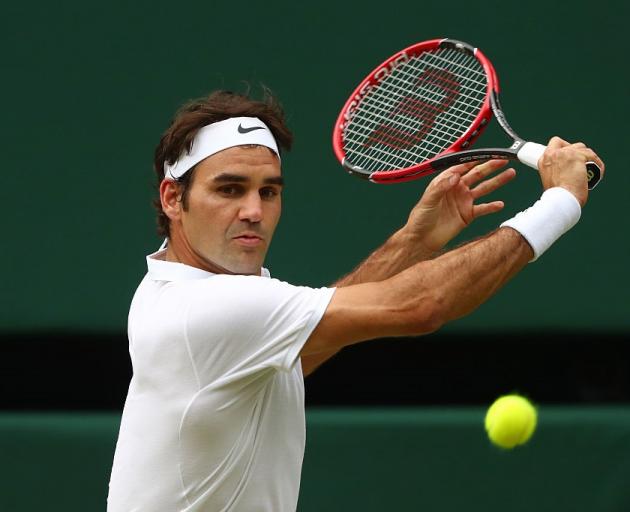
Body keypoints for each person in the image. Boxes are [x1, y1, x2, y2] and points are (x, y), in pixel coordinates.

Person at [107, 89, 604, 511]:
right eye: (230, 189)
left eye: (269, 191)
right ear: (174, 198)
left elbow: (298, 351)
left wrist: (415, 241)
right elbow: (422, 305)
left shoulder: (172, 293)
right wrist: (560, 204)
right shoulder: (204, 312)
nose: (254, 211)